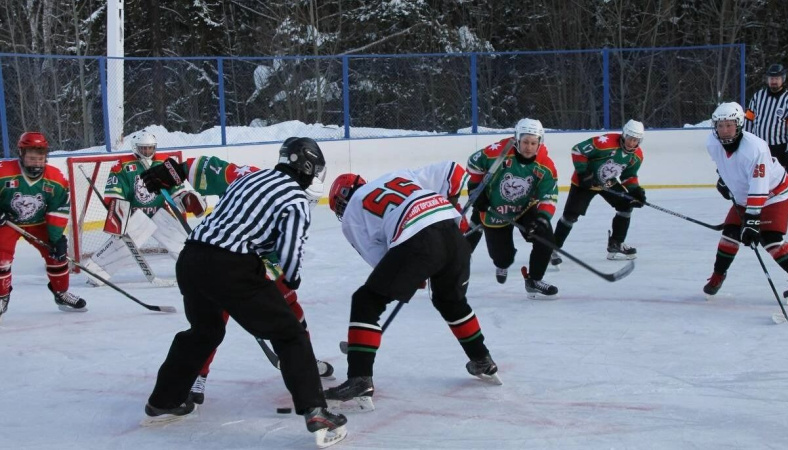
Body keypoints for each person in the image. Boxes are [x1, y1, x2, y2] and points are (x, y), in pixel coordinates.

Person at [142, 138, 347, 448]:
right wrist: (290, 283)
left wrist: (169, 174)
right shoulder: (295, 199)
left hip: (191, 258)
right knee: (289, 334)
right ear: (306, 168)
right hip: (232, 265)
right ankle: (316, 411)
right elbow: (290, 254)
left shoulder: (249, 176)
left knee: (203, 332)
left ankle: (164, 401)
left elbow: (203, 168)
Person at [324, 161, 500, 412]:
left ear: (342, 201)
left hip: (418, 241)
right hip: (453, 235)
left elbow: (379, 259)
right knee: (450, 301)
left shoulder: (352, 213)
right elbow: (454, 171)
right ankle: (482, 359)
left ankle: (359, 379)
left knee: (367, 301)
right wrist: (450, 206)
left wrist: (413, 275)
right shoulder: (397, 174)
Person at [704, 102, 788, 306]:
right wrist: (724, 180)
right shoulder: (712, 143)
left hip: (774, 194)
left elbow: (759, 186)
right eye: (720, 126)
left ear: (739, 124)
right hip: (744, 196)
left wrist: (752, 220)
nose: (724, 130)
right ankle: (717, 276)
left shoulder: (755, 148)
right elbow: (724, 165)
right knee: (730, 233)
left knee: (770, 238)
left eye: (729, 125)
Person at [84, 130, 205, 286]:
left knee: (180, 241)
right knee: (120, 248)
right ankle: (95, 274)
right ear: (135, 148)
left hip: (158, 212)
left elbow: (175, 189)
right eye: (143, 148)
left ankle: (196, 271)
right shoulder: (121, 165)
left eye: (150, 148)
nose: (147, 151)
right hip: (135, 215)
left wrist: (186, 198)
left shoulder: (163, 164)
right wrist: (119, 212)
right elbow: (115, 193)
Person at [465, 118, 560, 299]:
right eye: (525, 142)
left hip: (525, 208)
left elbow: (549, 195)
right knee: (504, 258)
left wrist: (542, 217)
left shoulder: (546, 165)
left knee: (545, 237)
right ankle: (502, 263)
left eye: (533, 143)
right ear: (517, 139)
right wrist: (476, 191)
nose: (529, 147)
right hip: (495, 209)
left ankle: (534, 280)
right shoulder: (498, 152)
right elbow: (473, 163)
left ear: (540, 142)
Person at [0, 132, 87, 322]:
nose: (36, 163)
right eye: (32, 158)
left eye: (40, 159)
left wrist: (56, 238)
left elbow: (58, 208)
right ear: (21, 154)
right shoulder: (3, 171)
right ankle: (2, 296)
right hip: (8, 223)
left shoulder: (55, 178)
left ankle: (61, 293)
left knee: (57, 256)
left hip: (39, 223)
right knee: (1, 259)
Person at [550, 120, 646, 265]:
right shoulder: (605, 143)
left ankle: (616, 243)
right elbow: (578, 150)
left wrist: (636, 191)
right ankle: (552, 248)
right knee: (570, 216)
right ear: (624, 135)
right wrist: (584, 173)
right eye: (630, 138)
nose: (632, 143)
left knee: (626, 206)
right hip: (584, 183)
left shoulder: (637, 156)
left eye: (636, 140)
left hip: (608, 182)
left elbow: (629, 176)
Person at [744, 63, 788, 180]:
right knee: (758, 183)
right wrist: (747, 144)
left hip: (780, 150)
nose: (773, 81)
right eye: (771, 78)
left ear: (783, 79)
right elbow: (749, 121)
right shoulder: (758, 97)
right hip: (759, 149)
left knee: (782, 186)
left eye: (777, 78)